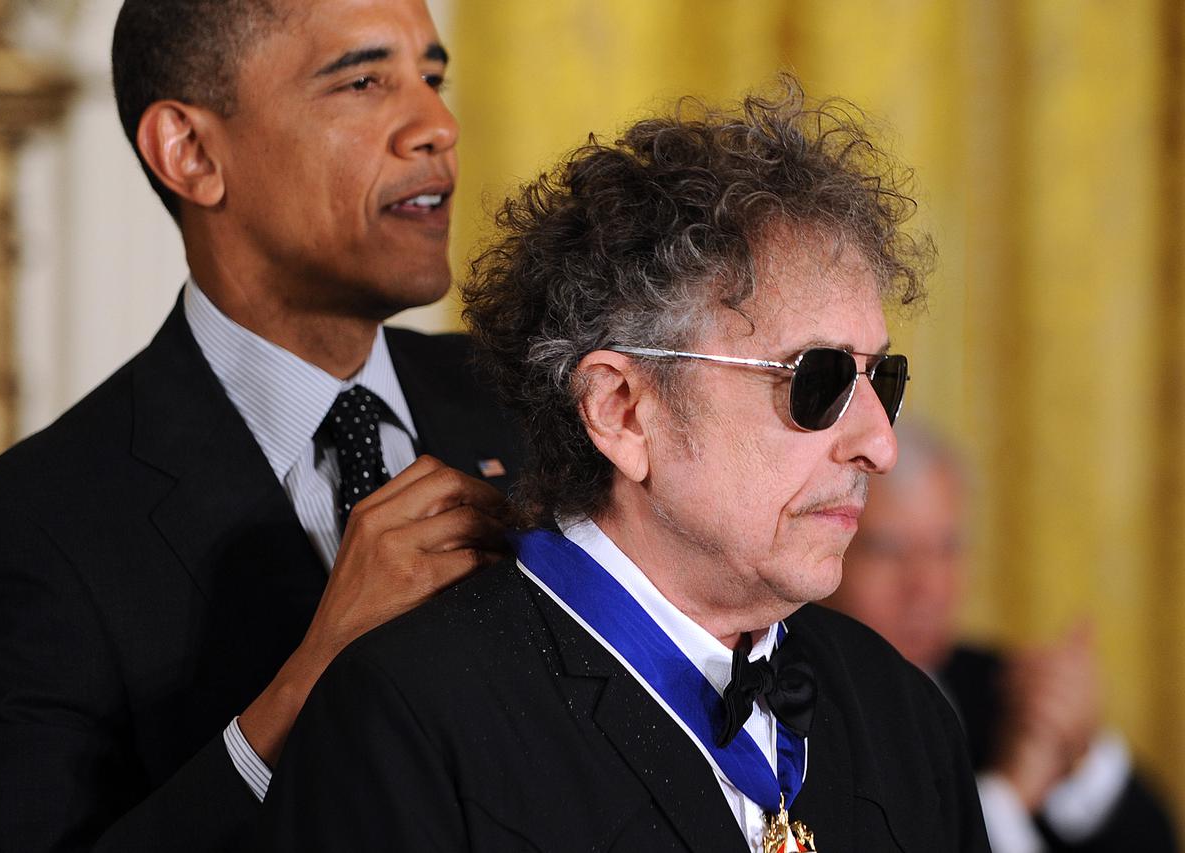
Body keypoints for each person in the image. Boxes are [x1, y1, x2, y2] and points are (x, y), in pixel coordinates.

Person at [262, 81, 991, 852]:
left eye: (882, 379)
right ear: (621, 408)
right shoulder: (412, 719)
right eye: (819, 381)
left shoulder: (901, 710)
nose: (879, 445)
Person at [0, 0, 523, 850]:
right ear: (192, 153)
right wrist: (312, 682)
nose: (437, 125)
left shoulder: (535, 403)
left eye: (432, 77)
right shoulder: (25, 538)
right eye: (363, 80)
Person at [825, 422, 1178, 853]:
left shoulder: (1000, 685)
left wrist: (1079, 754)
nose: (927, 587)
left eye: (947, 548)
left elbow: (1156, 838)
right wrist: (1007, 798)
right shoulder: (794, 708)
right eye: (890, 550)